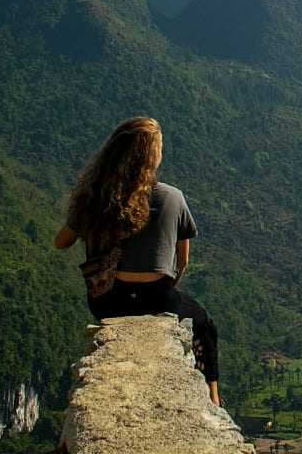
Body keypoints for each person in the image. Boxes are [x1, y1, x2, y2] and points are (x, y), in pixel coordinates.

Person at [54, 117, 222, 406]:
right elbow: (181, 262)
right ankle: (213, 398)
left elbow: (61, 242)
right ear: (153, 156)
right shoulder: (172, 197)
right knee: (204, 324)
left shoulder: (98, 198)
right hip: (158, 301)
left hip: (107, 302)